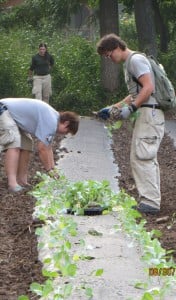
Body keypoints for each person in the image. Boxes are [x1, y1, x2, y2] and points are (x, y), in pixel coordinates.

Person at [96, 33, 165, 214]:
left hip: (149, 114)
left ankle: (150, 202)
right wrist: (114, 107)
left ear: (117, 47)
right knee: (142, 155)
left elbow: (149, 87)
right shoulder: (131, 63)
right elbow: (137, 92)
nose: (109, 59)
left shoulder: (136, 61)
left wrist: (132, 108)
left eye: (109, 55)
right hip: (146, 113)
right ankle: (149, 199)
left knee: (143, 155)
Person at [0, 98, 79, 192]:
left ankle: (22, 181)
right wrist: (49, 170)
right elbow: (42, 149)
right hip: (4, 110)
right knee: (14, 143)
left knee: (27, 145)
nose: (64, 134)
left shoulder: (53, 118)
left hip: (13, 116)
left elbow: (48, 148)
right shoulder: (52, 121)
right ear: (66, 123)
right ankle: (12, 184)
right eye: (67, 131)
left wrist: (53, 170)